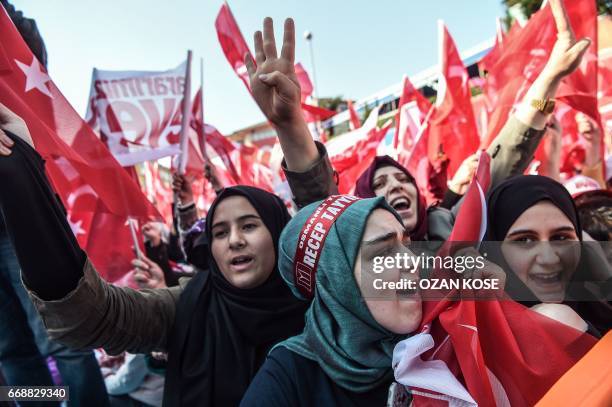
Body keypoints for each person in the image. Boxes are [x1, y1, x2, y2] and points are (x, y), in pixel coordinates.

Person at [0, 114, 309, 406]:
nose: (235, 240)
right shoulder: (188, 304)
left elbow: (336, 229)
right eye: (218, 232)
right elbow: (89, 316)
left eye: (250, 226)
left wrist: (290, 124)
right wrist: (21, 171)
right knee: (11, 352)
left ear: (280, 232)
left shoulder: (318, 302)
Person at [243, 0, 591, 243]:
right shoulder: (354, 252)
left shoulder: (448, 230)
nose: (396, 187)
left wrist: (550, 77)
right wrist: (290, 126)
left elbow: (498, 166)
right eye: (381, 185)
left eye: (402, 179)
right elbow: (323, 207)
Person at [484, 175, 612, 335]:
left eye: (561, 238)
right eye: (525, 240)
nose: (549, 259)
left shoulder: (600, 311)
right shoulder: (471, 335)